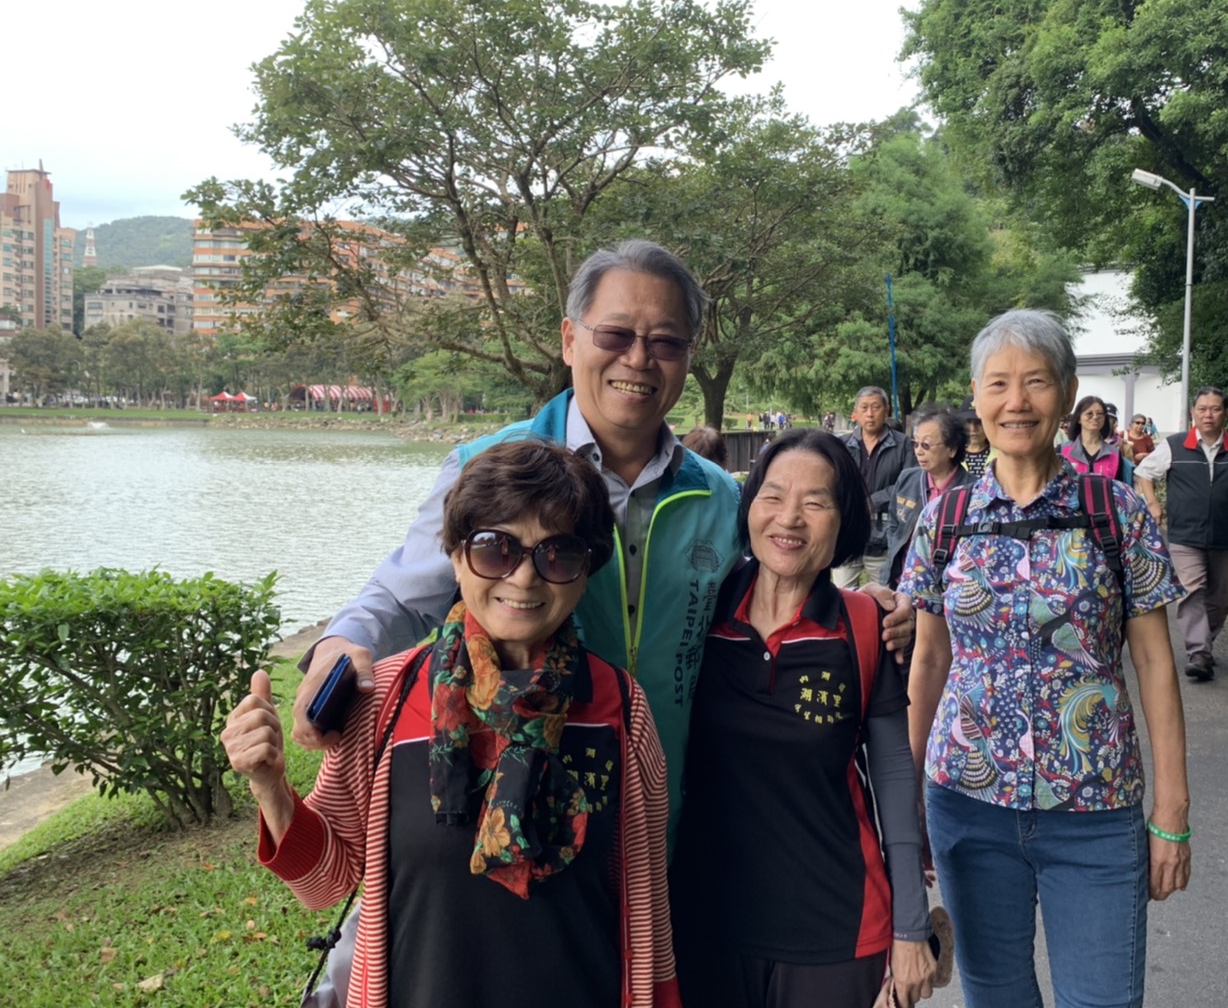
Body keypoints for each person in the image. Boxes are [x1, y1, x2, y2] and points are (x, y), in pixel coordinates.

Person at [290, 240, 911, 824]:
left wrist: (865, 608)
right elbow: (404, 595)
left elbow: (767, 596)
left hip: (669, 816)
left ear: (688, 356)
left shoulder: (720, 496)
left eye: (665, 341)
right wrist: (345, 642)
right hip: (520, 810)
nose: (638, 359)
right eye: (615, 334)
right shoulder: (486, 467)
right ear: (569, 339)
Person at [222, 442, 677, 1007]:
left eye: (558, 554)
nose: (523, 578)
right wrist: (269, 786)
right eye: (494, 549)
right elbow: (326, 881)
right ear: (456, 557)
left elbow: (645, 899)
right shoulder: (385, 700)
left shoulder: (619, 707)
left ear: (586, 573)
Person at [899, 308, 1191, 1008]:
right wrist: (904, 805)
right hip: (967, 804)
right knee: (995, 994)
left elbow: (1155, 664)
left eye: (1035, 381)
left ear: (1066, 393)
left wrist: (1172, 809)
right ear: (976, 397)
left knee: (1103, 999)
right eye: (998, 383)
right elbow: (929, 662)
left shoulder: (1116, 511)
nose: (1016, 401)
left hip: (1095, 808)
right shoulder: (946, 518)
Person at [674, 429, 937, 1008]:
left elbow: (894, 779)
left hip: (836, 928)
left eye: (815, 503)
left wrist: (912, 927)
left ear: (844, 522)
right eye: (772, 496)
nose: (789, 518)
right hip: (704, 921)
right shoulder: (700, 610)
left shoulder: (865, 625)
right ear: (749, 506)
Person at [1135, 386, 1228, 681]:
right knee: (1192, 589)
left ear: (1226, 414)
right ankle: (1199, 652)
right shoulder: (1175, 445)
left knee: (1222, 598)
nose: (1208, 415)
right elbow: (1144, 473)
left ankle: (1204, 643)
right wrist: (1152, 503)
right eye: (1202, 409)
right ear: (1193, 413)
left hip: (1224, 535)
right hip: (1185, 534)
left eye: (1215, 409)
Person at [886, 405, 978, 587]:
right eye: (915, 444)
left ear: (951, 449)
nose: (919, 451)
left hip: (950, 588)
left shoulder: (973, 491)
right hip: (902, 583)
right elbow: (894, 523)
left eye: (926, 445)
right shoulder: (907, 479)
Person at [837, 386, 910, 588]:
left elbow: (908, 484)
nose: (870, 414)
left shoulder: (903, 445)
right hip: (848, 534)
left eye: (876, 407)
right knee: (842, 595)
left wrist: (874, 501)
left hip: (885, 537)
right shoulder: (842, 445)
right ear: (856, 412)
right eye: (864, 408)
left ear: (886, 410)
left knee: (884, 598)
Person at [1060, 395, 1136, 485]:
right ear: (1079, 419)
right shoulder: (1062, 451)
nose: (1095, 417)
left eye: (1100, 414)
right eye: (1089, 413)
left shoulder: (1114, 454)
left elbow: (1119, 488)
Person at [959, 400, 991, 476]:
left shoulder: (1001, 455)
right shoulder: (951, 454)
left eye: (978, 422)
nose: (973, 428)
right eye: (968, 422)